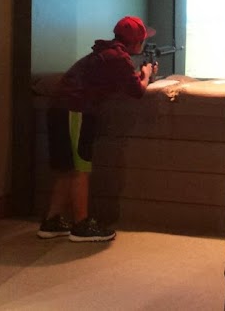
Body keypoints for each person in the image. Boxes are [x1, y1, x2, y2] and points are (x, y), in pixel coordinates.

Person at [36, 16, 156, 242]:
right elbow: (137, 91)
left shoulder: (107, 53)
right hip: (76, 110)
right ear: (136, 42)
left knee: (67, 168)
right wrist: (147, 74)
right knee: (80, 166)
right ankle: (81, 225)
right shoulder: (119, 58)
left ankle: (52, 221)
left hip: (61, 108)